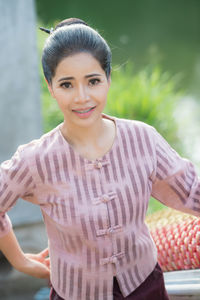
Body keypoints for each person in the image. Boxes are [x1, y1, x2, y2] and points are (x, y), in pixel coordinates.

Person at [0, 17, 199, 300]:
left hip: (145, 287)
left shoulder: (143, 139)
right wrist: (19, 260)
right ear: (50, 86)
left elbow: (191, 190)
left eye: (93, 81)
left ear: (108, 78)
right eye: (67, 84)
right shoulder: (36, 159)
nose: (82, 97)